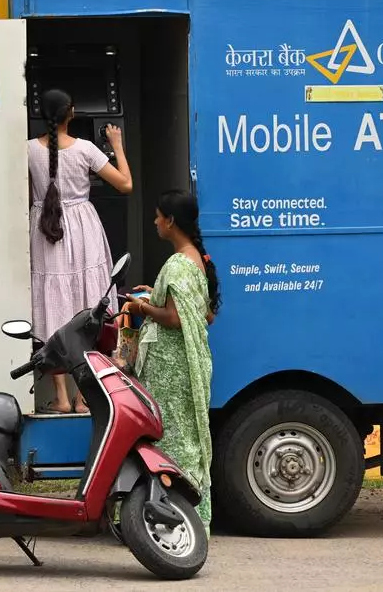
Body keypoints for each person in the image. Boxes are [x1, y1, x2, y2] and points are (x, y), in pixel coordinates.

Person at [28, 88, 132, 414]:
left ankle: (59, 396)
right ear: (71, 113)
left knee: (53, 303)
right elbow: (125, 184)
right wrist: (116, 146)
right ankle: (83, 396)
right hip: (82, 227)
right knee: (86, 304)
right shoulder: (86, 149)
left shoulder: (28, 150)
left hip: (45, 228)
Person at [128, 189, 219, 531]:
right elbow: (205, 314)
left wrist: (141, 307)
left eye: (157, 216)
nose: (154, 222)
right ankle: (188, 514)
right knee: (186, 439)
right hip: (186, 366)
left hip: (171, 369)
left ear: (170, 221)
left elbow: (175, 318)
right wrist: (153, 294)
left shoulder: (178, 263)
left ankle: (175, 516)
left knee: (172, 441)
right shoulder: (196, 259)